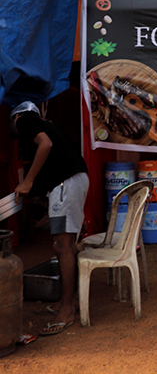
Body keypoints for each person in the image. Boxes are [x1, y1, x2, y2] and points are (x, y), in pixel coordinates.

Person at [11, 101, 89, 335]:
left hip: (66, 183)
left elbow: (45, 144)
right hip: (74, 180)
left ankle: (67, 309)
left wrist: (28, 181)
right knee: (67, 245)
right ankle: (66, 302)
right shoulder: (46, 123)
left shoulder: (24, 120)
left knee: (62, 246)